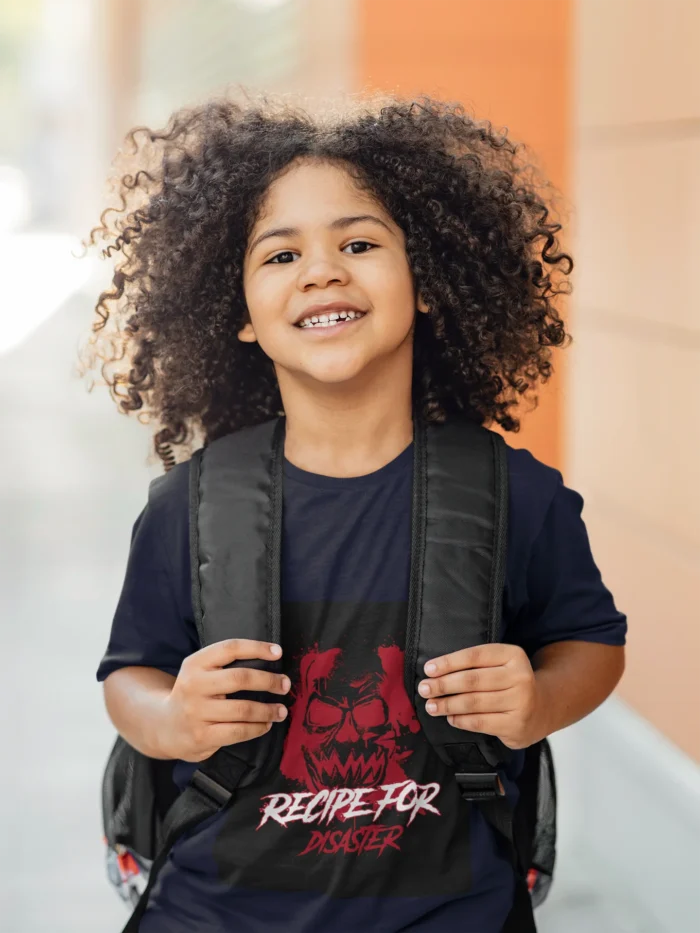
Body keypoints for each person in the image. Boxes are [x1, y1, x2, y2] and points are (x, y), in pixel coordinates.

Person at [85, 91, 627, 932]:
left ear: (431, 281)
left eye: (361, 243)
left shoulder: (516, 497)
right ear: (237, 314)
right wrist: (172, 717)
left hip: (454, 910)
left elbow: (592, 644)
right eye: (279, 255)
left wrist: (542, 700)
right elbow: (130, 674)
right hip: (214, 913)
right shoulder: (190, 506)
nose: (321, 271)